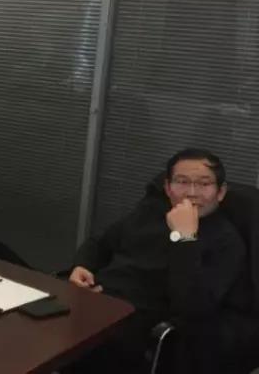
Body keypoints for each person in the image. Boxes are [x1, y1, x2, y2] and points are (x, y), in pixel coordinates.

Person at [67, 149, 245, 374]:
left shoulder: (226, 241)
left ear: (220, 192)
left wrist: (185, 237)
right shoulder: (151, 211)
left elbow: (193, 308)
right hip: (94, 302)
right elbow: (101, 242)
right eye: (182, 182)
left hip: (135, 326)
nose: (192, 193)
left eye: (204, 184)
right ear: (168, 188)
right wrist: (82, 265)